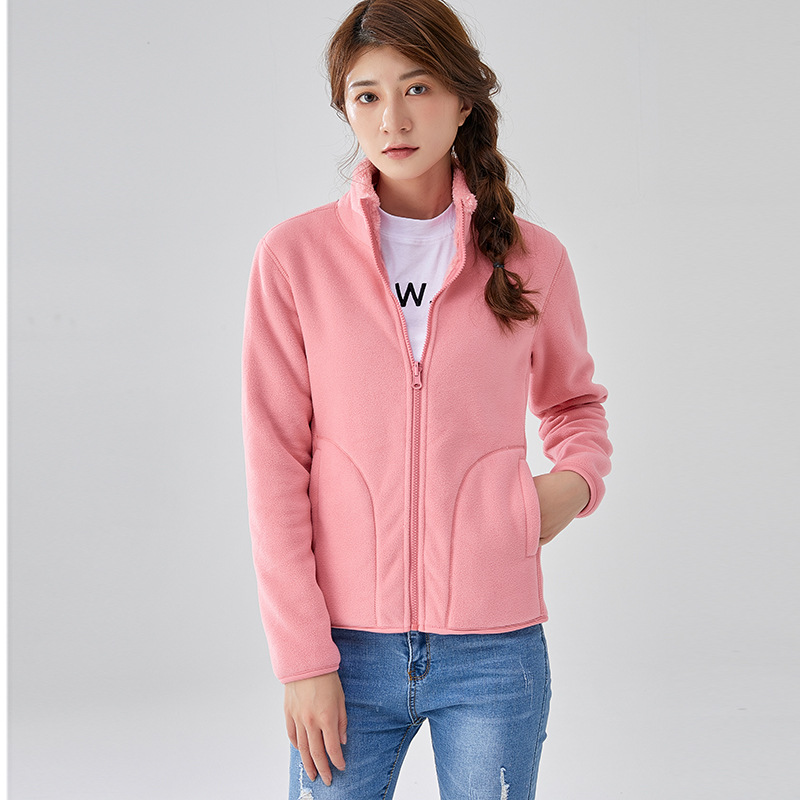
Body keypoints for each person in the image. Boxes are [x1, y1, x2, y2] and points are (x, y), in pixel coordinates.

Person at [241, 0, 612, 797]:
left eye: (417, 88)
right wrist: (302, 659)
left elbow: (575, 406)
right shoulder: (294, 258)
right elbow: (275, 464)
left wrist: (570, 487)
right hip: (343, 651)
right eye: (367, 95)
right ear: (345, 108)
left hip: (494, 652)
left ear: (463, 100)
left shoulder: (533, 259)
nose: (393, 118)